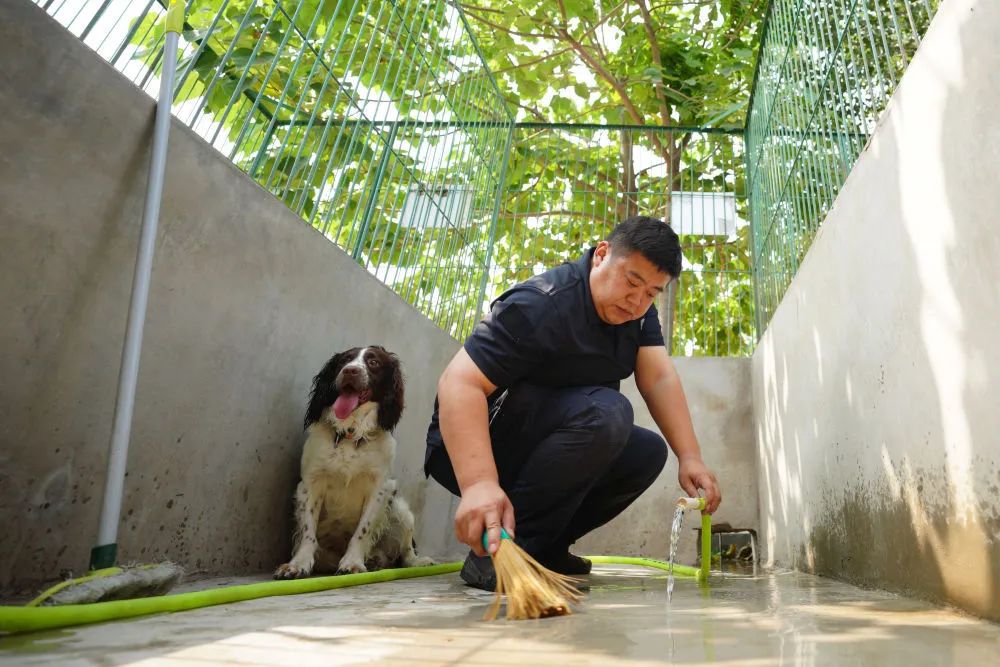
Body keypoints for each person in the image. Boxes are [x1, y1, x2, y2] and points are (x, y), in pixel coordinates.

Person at [424, 215, 722, 590]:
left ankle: (543, 547)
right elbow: (459, 383)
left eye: (651, 293)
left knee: (645, 452)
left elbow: (658, 377)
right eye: (632, 282)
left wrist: (690, 456)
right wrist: (479, 483)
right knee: (608, 413)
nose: (637, 301)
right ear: (601, 255)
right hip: (473, 447)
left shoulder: (637, 313)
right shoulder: (541, 302)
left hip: (548, 440)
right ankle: (497, 556)